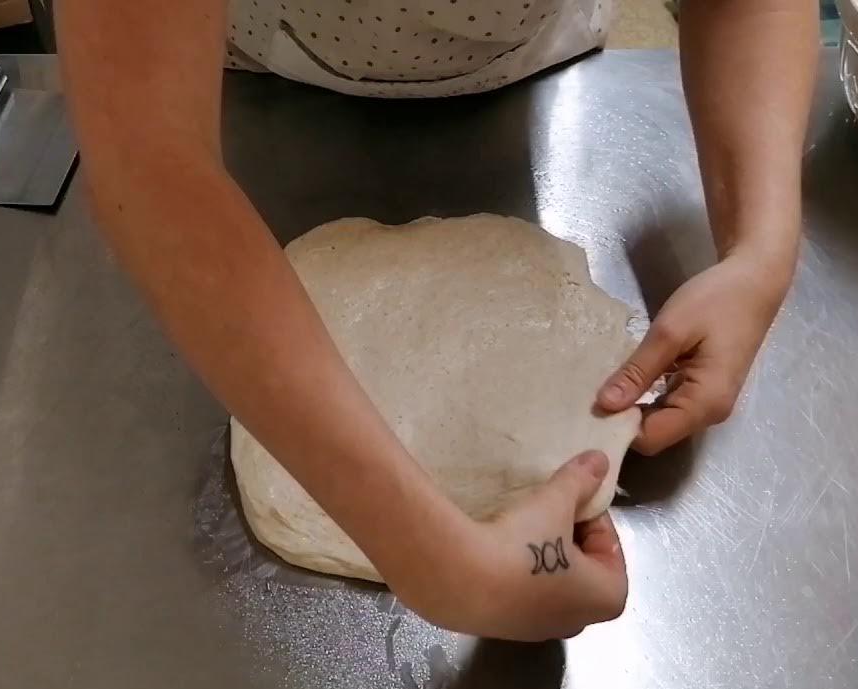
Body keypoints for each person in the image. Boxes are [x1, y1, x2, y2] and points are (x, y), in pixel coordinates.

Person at [57, 0, 818, 641]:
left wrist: (760, 248)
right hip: (263, 79)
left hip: (533, 70)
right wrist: (433, 559)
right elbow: (148, 146)